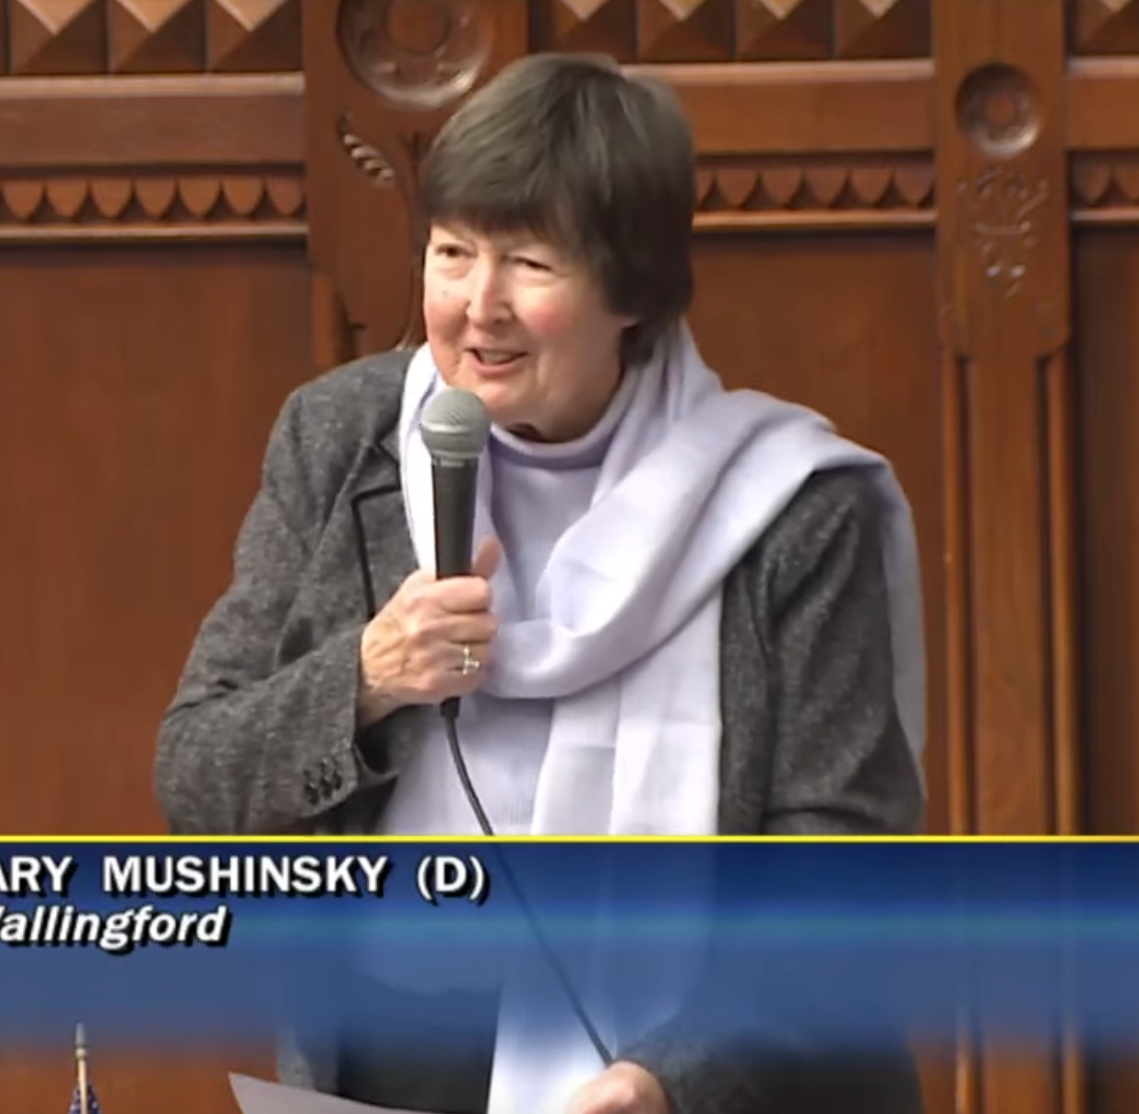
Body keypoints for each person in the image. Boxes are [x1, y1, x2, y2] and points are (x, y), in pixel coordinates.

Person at [155, 52, 927, 1114]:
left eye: (528, 263)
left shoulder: (785, 506)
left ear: (633, 290)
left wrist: (670, 1079)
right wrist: (365, 678)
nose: (479, 307)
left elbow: (842, 872)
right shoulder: (341, 441)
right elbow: (195, 778)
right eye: (451, 253)